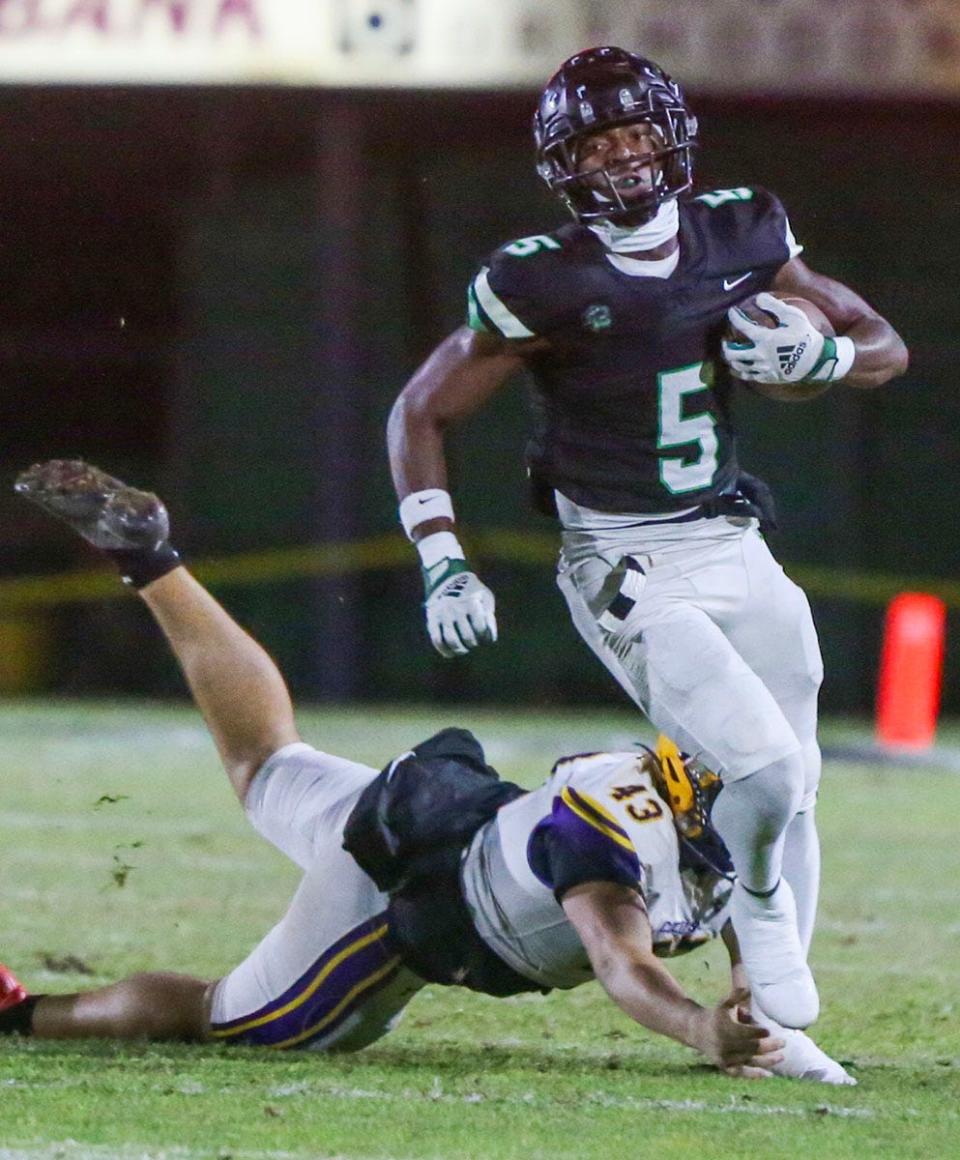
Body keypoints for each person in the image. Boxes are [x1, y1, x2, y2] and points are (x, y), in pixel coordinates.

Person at [0, 459, 853, 1083]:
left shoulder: (709, 804)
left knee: (267, 761)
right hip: (398, 898)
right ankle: (23, 1018)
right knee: (223, 1019)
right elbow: (620, 961)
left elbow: (751, 887)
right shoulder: (621, 826)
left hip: (435, 809)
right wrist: (702, 1029)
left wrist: (749, 998)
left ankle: (151, 559)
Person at [386, 46, 908, 1031]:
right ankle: (755, 903)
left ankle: (771, 1023)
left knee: (795, 786)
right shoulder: (538, 281)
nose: (621, 159)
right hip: (625, 561)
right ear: (561, 166)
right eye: (596, 143)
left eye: (635, 134)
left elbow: (887, 346)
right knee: (764, 770)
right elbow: (418, 411)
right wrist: (442, 556)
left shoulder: (744, 231)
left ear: (673, 139)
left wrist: (829, 352)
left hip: (732, 539)